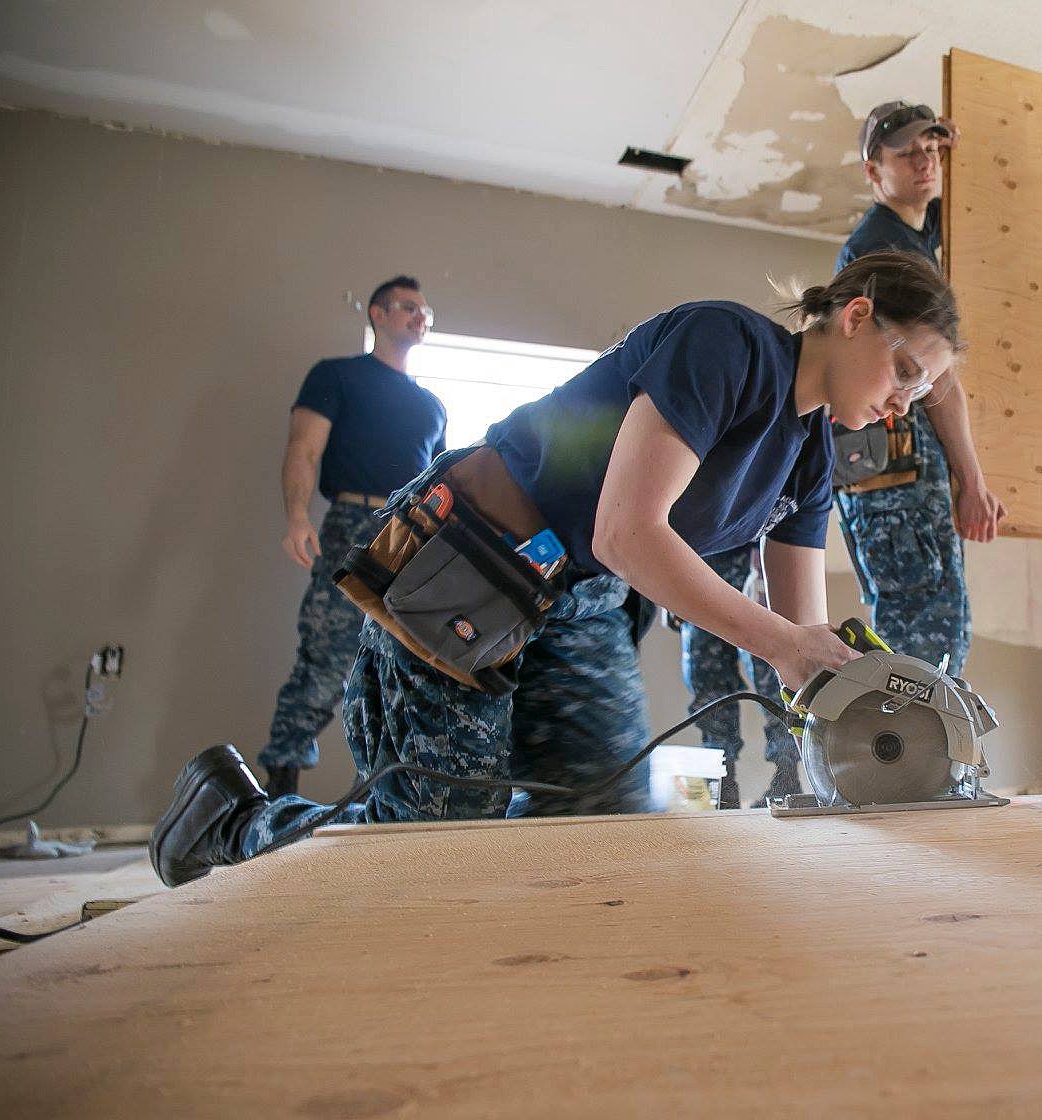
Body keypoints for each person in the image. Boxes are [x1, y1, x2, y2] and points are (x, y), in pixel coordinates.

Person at [150, 250, 964, 885]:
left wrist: (874, 708)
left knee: (599, 817)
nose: (904, 403)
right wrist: (789, 647)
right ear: (855, 316)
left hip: (579, 599)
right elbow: (627, 532)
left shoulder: (811, 455)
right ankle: (230, 820)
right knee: (424, 843)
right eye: (904, 372)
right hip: (471, 560)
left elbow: (803, 637)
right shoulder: (727, 346)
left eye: (921, 392)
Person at [834, 101, 1006, 676]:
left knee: (928, 628)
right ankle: (912, 760)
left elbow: (944, 205)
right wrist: (972, 482)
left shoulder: (910, 231)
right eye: (906, 154)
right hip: (895, 460)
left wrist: (951, 140)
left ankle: (921, 758)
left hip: (892, 462)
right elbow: (940, 381)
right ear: (872, 171)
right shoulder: (883, 249)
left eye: (932, 151)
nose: (925, 162)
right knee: (927, 635)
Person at [258, 276, 447, 799]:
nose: (419, 318)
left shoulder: (432, 406)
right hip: (352, 528)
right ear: (378, 315)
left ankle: (375, 802)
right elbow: (303, 450)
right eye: (408, 308)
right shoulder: (336, 377)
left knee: (397, 671)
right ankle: (279, 793)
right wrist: (297, 518)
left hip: (409, 538)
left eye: (425, 312)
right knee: (326, 659)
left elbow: (439, 489)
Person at [676, 546, 803, 808]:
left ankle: (787, 779)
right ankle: (721, 783)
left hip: (752, 554)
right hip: (694, 561)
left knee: (773, 676)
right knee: (707, 677)